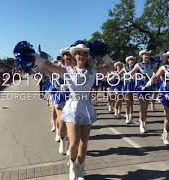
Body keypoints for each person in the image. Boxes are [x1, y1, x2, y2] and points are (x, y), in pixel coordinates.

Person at [34, 43, 113, 180]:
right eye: (78, 53)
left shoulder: (93, 71)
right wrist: (33, 56)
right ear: (74, 56)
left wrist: (104, 53)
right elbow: (48, 65)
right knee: (74, 143)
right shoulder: (67, 70)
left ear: (87, 56)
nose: (81, 55)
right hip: (72, 107)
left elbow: (111, 67)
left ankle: (81, 167)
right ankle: (72, 164)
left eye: (84, 53)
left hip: (86, 107)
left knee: (84, 143)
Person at [143, 50, 169, 147]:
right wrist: (147, 86)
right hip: (166, 93)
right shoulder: (164, 68)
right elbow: (155, 77)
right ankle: (165, 135)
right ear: (168, 58)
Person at [128, 49, 156, 134]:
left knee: (145, 107)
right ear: (141, 56)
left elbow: (155, 74)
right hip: (141, 87)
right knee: (142, 106)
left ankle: (143, 123)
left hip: (149, 87)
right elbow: (130, 74)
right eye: (145, 54)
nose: (147, 56)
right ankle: (141, 124)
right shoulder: (138, 65)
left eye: (148, 54)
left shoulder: (152, 65)